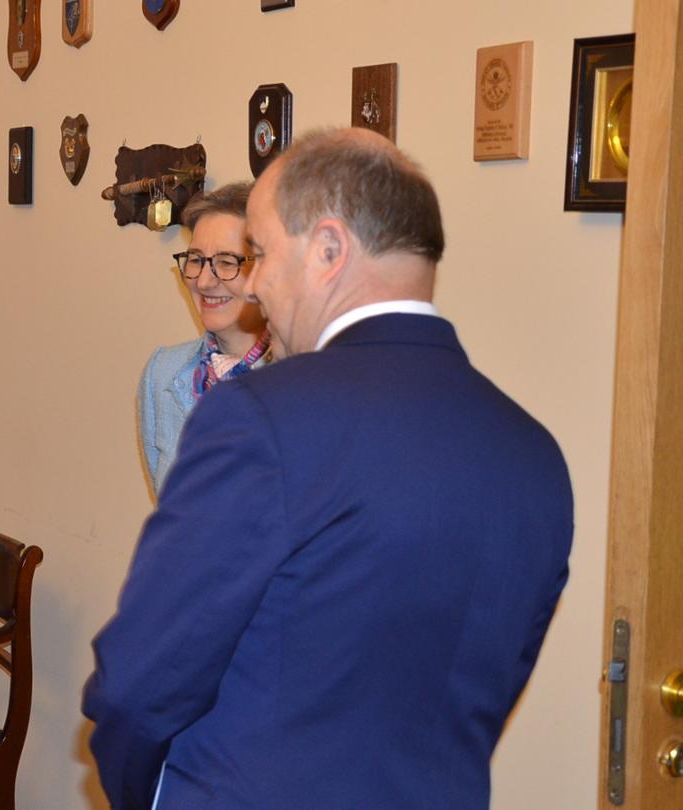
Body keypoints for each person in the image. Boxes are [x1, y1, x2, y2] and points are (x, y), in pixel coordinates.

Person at [82, 128, 573, 809]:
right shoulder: (534, 456)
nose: (249, 287)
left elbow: (139, 683)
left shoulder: (258, 419)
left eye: (256, 254)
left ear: (330, 249)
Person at [135, 181, 269, 495]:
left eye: (227, 262)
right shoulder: (163, 374)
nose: (205, 281)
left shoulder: (306, 383)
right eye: (195, 260)